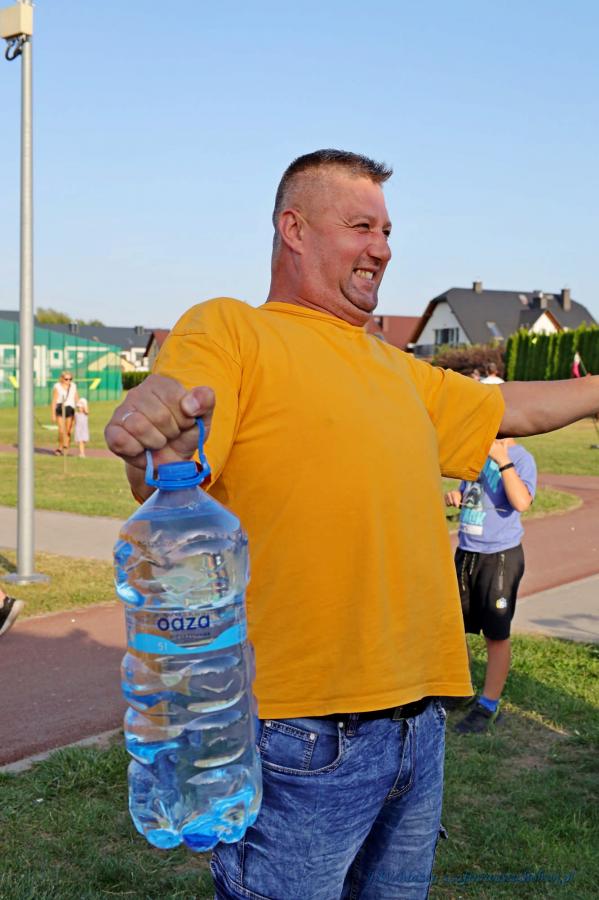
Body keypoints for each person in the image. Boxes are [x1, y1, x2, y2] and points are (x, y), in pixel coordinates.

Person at [105, 149, 599, 900]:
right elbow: (177, 439)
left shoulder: (396, 369)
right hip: (302, 736)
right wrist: (160, 428)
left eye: (387, 231)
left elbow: (510, 409)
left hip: (418, 728)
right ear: (294, 228)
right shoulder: (233, 329)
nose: (383, 248)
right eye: (362, 226)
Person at [444, 438, 536, 733]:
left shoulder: (521, 457)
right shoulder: (475, 452)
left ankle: (488, 705)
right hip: (467, 551)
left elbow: (522, 502)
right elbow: (471, 493)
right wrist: (456, 496)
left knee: (496, 634)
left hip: (499, 556)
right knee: (455, 626)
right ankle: (461, 690)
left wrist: (502, 459)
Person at [51, 371, 78, 455]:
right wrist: (53, 414)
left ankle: (66, 448)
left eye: (70, 379)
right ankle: (60, 447)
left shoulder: (73, 386)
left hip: (70, 408)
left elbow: (76, 397)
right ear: (62, 379)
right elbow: (54, 400)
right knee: (61, 430)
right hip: (60, 407)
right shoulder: (57, 386)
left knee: (68, 430)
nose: (68, 381)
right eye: (66, 379)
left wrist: (79, 407)